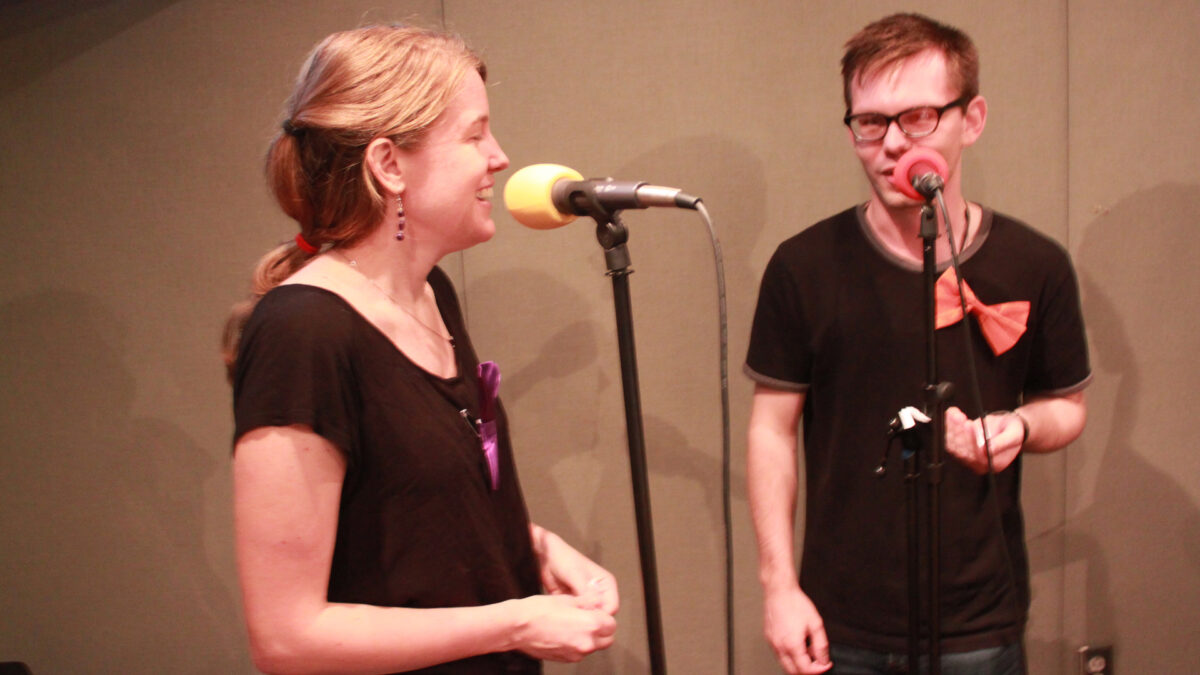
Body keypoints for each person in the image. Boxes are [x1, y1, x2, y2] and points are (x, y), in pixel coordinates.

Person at [221, 25, 618, 675]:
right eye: (474, 134)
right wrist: (518, 619)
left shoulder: (431, 292)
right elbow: (287, 636)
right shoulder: (302, 332)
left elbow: (416, 521)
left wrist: (535, 546)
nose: (499, 156)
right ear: (388, 164)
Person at [744, 13, 1089, 675]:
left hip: (979, 620)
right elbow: (771, 431)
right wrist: (778, 586)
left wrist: (1018, 426)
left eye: (919, 117)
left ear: (972, 118)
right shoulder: (803, 266)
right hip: (839, 619)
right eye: (870, 122)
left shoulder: (1034, 262)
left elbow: (1066, 406)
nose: (893, 144)